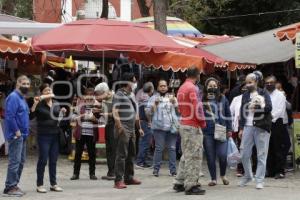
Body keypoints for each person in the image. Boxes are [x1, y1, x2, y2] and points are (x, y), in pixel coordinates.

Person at [173, 67, 206, 195]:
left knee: (186, 154)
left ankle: (179, 182)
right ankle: (191, 185)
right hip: (192, 125)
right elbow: (197, 106)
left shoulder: (182, 87)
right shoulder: (193, 88)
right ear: (197, 75)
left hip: (184, 123)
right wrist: (202, 121)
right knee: (194, 155)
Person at [238, 73, 272, 190]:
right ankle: (248, 176)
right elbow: (241, 112)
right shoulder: (245, 95)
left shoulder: (263, 92)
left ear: (256, 82)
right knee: (244, 154)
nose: (248, 85)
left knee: (261, 154)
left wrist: (256, 108)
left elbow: (269, 107)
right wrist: (241, 128)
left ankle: (259, 180)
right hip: (248, 127)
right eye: (246, 83)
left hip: (261, 127)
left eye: (250, 82)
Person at [112, 72, 144, 189]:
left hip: (132, 129)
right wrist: (119, 126)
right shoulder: (119, 94)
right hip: (124, 127)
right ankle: (118, 180)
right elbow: (115, 111)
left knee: (131, 154)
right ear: (128, 82)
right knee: (121, 155)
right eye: (134, 81)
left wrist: (139, 128)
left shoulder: (131, 95)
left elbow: (135, 114)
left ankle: (129, 177)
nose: (135, 83)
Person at [32, 83, 65, 193]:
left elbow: (58, 118)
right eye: (46, 90)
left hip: (55, 134)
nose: (48, 92)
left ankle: (53, 183)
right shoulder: (39, 103)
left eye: (49, 90)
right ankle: (39, 184)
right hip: (43, 135)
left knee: (54, 160)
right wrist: (35, 104)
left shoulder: (56, 103)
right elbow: (31, 116)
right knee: (43, 159)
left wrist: (62, 112)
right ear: (42, 93)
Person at [3, 75, 32, 197]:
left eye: (27, 84)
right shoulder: (14, 97)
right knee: (15, 161)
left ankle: (14, 185)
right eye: (23, 84)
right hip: (17, 135)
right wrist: (16, 131)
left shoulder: (22, 98)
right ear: (17, 84)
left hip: (23, 135)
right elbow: (9, 116)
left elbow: (24, 114)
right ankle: (10, 187)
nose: (26, 86)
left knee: (20, 161)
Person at [202, 77, 232, 186]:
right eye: (210, 86)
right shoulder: (202, 99)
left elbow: (228, 114)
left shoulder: (223, 98)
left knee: (223, 155)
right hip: (207, 132)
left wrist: (229, 129)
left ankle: (223, 175)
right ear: (206, 87)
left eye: (214, 86)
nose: (212, 88)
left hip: (221, 130)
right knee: (210, 156)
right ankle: (213, 178)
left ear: (218, 87)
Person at [146, 80, 178, 177]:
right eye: (161, 86)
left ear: (167, 87)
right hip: (158, 128)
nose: (163, 87)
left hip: (171, 127)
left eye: (164, 86)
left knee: (172, 149)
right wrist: (154, 105)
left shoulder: (172, 97)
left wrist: (175, 103)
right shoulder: (153, 98)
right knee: (159, 149)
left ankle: (173, 170)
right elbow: (148, 113)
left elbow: (179, 111)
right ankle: (156, 170)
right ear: (158, 87)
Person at [70, 88, 99, 181]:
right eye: (88, 94)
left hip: (91, 133)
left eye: (91, 94)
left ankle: (92, 174)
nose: (89, 96)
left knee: (92, 154)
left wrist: (95, 119)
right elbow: (73, 117)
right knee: (78, 153)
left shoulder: (97, 105)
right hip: (81, 133)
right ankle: (75, 174)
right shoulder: (80, 104)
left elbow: (102, 120)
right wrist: (81, 116)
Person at [265, 76, 287, 179]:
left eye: (271, 82)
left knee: (278, 147)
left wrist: (270, 117)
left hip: (277, 123)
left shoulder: (280, 95)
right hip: (266, 123)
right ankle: (271, 170)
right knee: (268, 147)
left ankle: (280, 171)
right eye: (267, 83)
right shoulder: (263, 94)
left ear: (275, 83)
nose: (269, 84)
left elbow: (280, 110)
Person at [94, 82, 116, 180]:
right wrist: (99, 110)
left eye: (99, 94)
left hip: (115, 126)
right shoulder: (105, 99)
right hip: (108, 125)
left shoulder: (115, 98)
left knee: (113, 149)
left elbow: (116, 113)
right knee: (109, 149)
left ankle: (114, 172)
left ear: (105, 91)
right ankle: (110, 171)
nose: (98, 97)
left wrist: (103, 112)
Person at [136, 82, 155, 168]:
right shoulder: (147, 97)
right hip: (145, 121)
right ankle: (140, 162)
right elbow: (147, 111)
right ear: (151, 89)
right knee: (144, 142)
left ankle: (144, 161)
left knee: (144, 141)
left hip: (141, 120)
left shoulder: (140, 93)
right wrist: (150, 121)